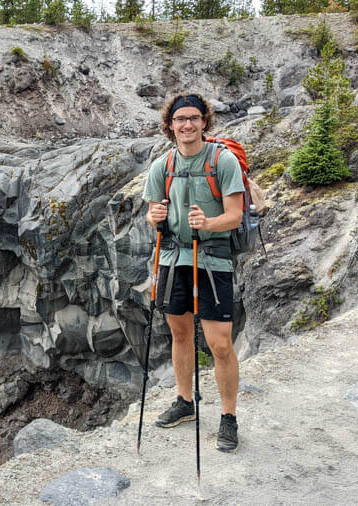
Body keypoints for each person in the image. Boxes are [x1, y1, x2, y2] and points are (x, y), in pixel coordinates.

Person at [142, 93, 244, 453]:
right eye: (180, 119)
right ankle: (185, 402)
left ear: (205, 122)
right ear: (170, 125)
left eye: (194, 118)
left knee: (219, 344)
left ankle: (228, 418)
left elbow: (236, 215)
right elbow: (153, 211)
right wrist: (153, 217)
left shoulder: (223, 161)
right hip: (172, 258)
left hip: (212, 258)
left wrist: (209, 222)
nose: (187, 125)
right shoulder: (162, 166)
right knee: (180, 334)